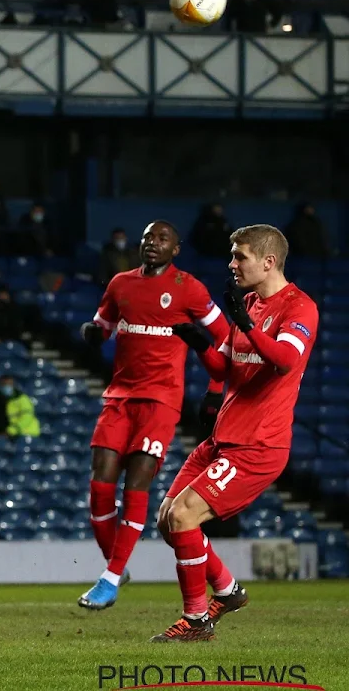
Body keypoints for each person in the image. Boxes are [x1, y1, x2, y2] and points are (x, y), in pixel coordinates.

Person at [156, 225, 316, 641]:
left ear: (268, 262)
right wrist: (198, 342)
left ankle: (196, 621)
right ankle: (227, 591)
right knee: (167, 521)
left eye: (239, 256)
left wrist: (245, 324)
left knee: (184, 516)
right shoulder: (248, 302)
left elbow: (283, 360)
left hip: (258, 445)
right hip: (224, 436)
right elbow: (225, 367)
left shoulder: (300, 308)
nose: (231, 264)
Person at [76, 221, 229, 611]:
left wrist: (214, 390)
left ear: (176, 249)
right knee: (100, 486)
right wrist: (92, 334)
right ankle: (116, 564)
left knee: (138, 482)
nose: (152, 244)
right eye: (147, 238)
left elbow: (225, 338)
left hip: (161, 400)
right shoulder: (120, 284)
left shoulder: (189, 289)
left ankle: (110, 578)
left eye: (162, 239)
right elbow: (103, 327)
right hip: (119, 397)